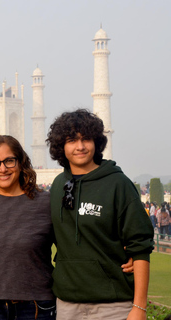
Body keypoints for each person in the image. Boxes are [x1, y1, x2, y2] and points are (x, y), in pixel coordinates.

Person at [46, 109, 154, 320]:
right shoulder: (58, 186)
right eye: (71, 140)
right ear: (61, 146)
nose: (80, 146)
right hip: (67, 304)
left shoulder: (118, 184)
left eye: (86, 139)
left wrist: (139, 308)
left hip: (112, 305)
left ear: (96, 142)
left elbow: (140, 246)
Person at [0, 135, 56, 319]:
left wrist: (124, 251)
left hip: (36, 307)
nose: (3, 169)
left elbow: (74, 245)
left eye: (9, 161)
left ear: (20, 162)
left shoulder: (45, 203)